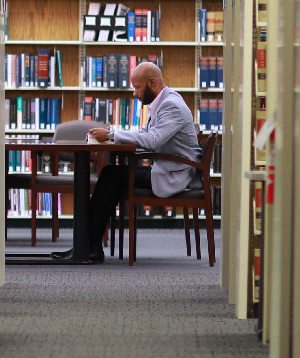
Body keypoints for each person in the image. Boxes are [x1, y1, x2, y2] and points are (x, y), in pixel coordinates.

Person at [51, 62, 202, 263]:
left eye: (137, 87)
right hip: (167, 167)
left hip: (176, 174)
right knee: (111, 175)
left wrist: (113, 135)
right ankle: (86, 246)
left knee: (110, 177)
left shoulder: (171, 105)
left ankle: (88, 248)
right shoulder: (163, 101)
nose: (134, 93)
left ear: (152, 83)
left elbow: (153, 140)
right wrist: (115, 138)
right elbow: (147, 135)